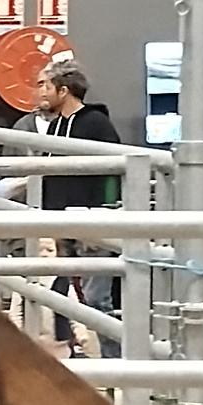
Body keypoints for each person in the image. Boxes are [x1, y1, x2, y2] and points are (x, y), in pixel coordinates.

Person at [28, 54, 122, 350]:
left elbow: (115, 170)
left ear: (63, 90)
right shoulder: (56, 126)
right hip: (64, 223)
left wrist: (105, 212)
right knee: (67, 293)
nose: (41, 93)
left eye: (46, 86)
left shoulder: (96, 124)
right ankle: (76, 351)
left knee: (96, 298)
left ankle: (117, 361)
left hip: (93, 223)